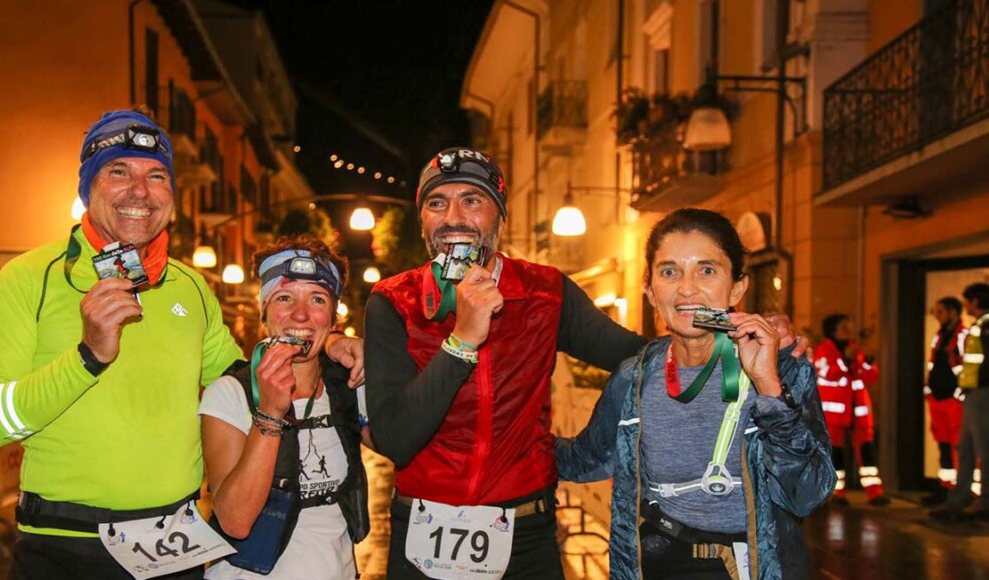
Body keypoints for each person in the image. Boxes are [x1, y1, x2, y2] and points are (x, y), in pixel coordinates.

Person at [364, 148, 806, 579]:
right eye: (437, 203)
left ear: (500, 216)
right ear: (422, 219)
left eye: (472, 200)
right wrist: (462, 340)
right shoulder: (393, 301)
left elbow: (639, 355)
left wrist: (739, 334)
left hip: (526, 530)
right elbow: (396, 438)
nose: (454, 217)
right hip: (422, 528)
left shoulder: (544, 291)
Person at [0, 108, 362, 579]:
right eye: (118, 171)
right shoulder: (28, 279)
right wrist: (86, 357)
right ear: (87, 187)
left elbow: (245, 379)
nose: (140, 191)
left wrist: (322, 341)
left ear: (171, 195)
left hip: (174, 551)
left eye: (156, 176)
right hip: (68, 547)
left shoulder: (190, 286)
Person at [555, 208, 834, 580]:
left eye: (707, 271)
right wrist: (500, 432)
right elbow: (584, 460)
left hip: (748, 568)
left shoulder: (782, 368)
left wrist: (768, 388)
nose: (686, 289)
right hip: (656, 564)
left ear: (737, 288)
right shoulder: (633, 378)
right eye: (669, 272)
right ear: (651, 291)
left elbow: (809, 493)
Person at [200, 235, 369, 579]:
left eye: (317, 299)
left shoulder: (347, 386)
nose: (300, 314)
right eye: (284, 297)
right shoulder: (230, 394)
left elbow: (402, 446)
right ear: (263, 311)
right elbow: (234, 521)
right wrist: (270, 414)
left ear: (332, 317)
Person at [813, 313, 889, 506]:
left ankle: (874, 492)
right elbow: (827, 373)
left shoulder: (856, 349)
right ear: (833, 331)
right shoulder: (824, 350)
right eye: (844, 327)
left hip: (858, 411)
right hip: (834, 413)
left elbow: (869, 377)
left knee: (867, 451)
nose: (849, 330)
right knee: (835, 453)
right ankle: (836, 493)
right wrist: (845, 360)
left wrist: (869, 364)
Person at [931, 282, 989, 522]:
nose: (966, 306)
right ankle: (960, 499)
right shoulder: (979, 326)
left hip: (981, 393)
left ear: (975, 301)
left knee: (982, 448)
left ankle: (983, 501)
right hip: (972, 393)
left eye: (967, 301)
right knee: (965, 448)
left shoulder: (984, 326)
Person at [921, 297, 968, 506]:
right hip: (938, 397)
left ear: (953, 312)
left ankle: (965, 491)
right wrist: (928, 388)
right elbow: (933, 363)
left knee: (960, 445)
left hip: (953, 398)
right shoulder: (940, 336)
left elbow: (966, 367)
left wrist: (959, 392)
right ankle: (946, 487)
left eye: (940, 311)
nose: (937, 316)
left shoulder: (963, 336)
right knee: (944, 444)